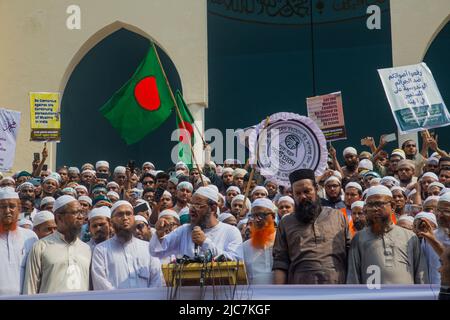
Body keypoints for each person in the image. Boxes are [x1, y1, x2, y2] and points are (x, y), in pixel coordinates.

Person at [273, 169, 350, 284]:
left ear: (316, 189)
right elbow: (280, 262)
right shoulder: (286, 223)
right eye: (298, 193)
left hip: (336, 288)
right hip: (300, 290)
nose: (303, 197)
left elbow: (350, 254)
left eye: (307, 191)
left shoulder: (338, 217)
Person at [347, 185, 428, 284]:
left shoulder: (410, 237)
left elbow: (420, 273)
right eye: (370, 205)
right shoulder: (359, 238)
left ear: (393, 206)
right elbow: (353, 276)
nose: (375, 209)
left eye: (379, 204)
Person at [150, 187, 243, 260]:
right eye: (191, 204)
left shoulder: (231, 231)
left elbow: (236, 260)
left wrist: (205, 243)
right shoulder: (184, 230)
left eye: (198, 205)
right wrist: (159, 233)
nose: (192, 209)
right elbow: (156, 252)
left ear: (213, 208)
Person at [23, 195, 92, 294]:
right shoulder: (41, 246)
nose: (81, 217)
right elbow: (30, 287)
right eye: (75, 213)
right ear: (59, 217)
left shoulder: (87, 249)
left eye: (81, 212)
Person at [91, 200, 163, 290]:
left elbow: (156, 281)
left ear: (134, 218)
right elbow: (101, 284)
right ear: (111, 221)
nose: (125, 218)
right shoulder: (101, 250)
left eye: (128, 214)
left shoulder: (148, 248)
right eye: (120, 214)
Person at [0, 188, 38, 296]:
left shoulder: (30, 237)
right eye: (3, 207)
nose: (7, 211)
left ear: (19, 209)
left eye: (12, 206)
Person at [242, 198, 276, 284]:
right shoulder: (244, 247)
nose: (257, 220)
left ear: (273, 216)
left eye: (261, 215)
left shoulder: (282, 240)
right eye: (253, 216)